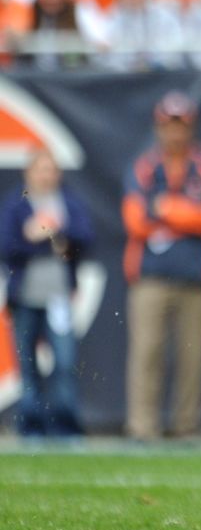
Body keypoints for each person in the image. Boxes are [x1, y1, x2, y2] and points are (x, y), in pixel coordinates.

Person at [121, 91, 201, 441]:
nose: (175, 134)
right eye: (168, 126)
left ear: (191, 127)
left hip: (197, 275)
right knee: (146, 352)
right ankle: (143, 427)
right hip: (151, 276)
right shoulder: (143, 167)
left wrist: (166, 209)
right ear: (158, 128)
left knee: (192, 356)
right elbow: (136, 221)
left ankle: (186, 425)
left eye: (181, 126)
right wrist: (189, 212)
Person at [1, 149, 94, 438]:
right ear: (28, 173)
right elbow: (7, 246)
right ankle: (31, 426)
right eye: (40, 169)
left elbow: (85, 239)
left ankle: (66, 426)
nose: (45, 175)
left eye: (50, 169)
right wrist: (39, 239)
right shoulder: (16, 204)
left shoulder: (68, 203)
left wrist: (54, 234)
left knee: (64, 363)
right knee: (27, 366)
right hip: (25, 296)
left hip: (58, 297)